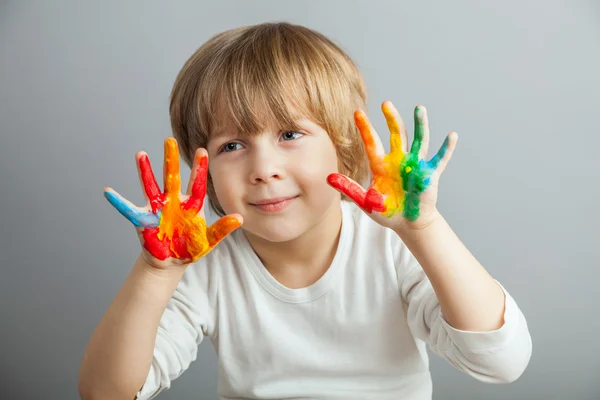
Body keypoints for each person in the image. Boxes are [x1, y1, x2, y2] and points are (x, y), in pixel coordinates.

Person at [78, 22, 532, 400]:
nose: (264, 169)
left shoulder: (393, 246)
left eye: (290, 134)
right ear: (205, 168)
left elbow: (500, 362)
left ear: (344, 144)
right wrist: (155, 271)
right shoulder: (203, 266)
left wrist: (425, 228)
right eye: (232, 145)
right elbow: (105, 393)